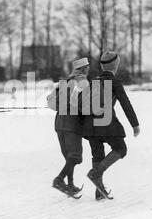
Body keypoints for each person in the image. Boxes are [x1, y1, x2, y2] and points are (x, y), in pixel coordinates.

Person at [82, 51, 140, 200]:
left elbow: (81, 101)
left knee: (97, 155)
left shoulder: (93, 81)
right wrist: (135, 124)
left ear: (102, 65)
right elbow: (125, 103)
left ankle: (99, 191)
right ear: (117, 64)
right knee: (121, 148)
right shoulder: (115, 82)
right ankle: (95, 174)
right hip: (106, 123)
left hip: (90, 124)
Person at [47, 58, 90, 196]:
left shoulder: (63, 82)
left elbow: (51, 102)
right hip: (73, 123)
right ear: (84, 69)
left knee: (69, 156)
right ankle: (59, 180)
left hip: (59, 123)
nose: (88, 70)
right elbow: (82, 105)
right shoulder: (83, 82)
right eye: (87, 67)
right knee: (76, 156)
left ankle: (70, 185)